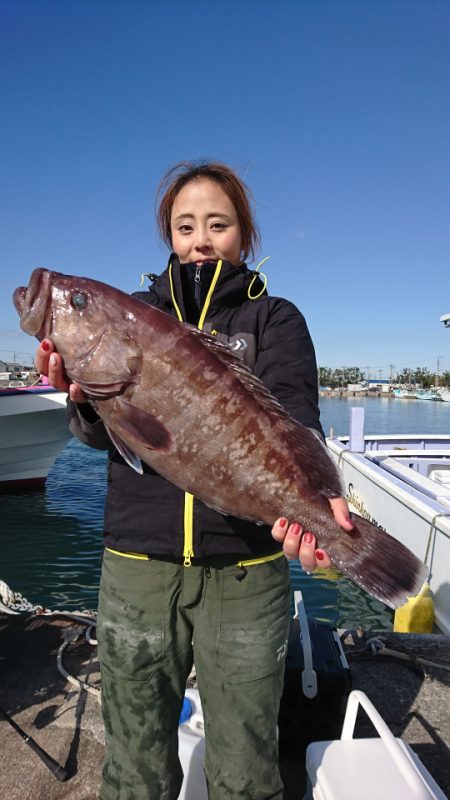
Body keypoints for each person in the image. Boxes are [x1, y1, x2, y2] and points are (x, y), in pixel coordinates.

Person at [35, 161, 352, 800]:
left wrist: (320, 509)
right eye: (184, 227)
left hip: (246, 569)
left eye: (218, 224)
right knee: (134, 763)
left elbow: (295, 417)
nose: (200, 240)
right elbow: (103, 437)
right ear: (169, 236)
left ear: (245, 234)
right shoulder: (138, 316)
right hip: (137, 567)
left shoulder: (275, 320)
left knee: (246, 764)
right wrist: (85, 402)